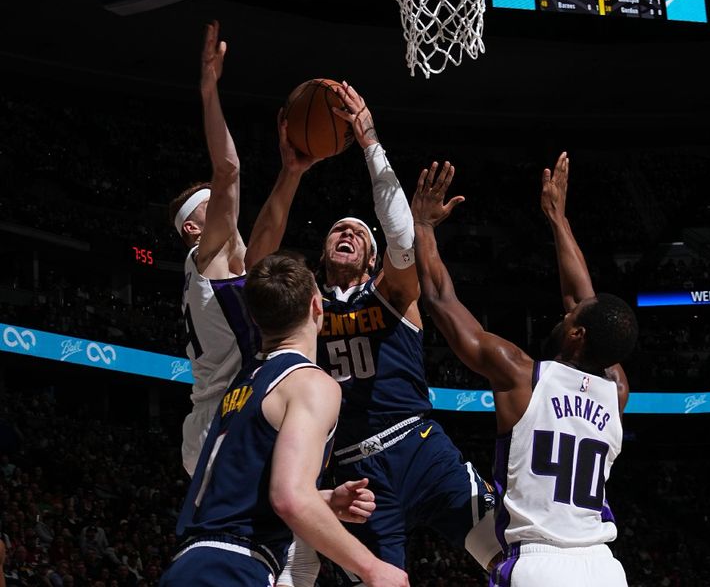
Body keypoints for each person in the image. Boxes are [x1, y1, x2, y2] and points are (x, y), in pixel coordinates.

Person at [245, 83, 499, 585]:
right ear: (323, 253)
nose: (347, 233)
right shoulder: (305, 306)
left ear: (372, 259)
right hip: (351, 474)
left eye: (359, 233)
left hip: (419, 447)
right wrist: (291, 172)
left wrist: (369, 144)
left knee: (510, 550)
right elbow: (255, 268)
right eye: (338, 230)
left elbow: (403, 238)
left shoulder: (393, 292)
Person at [411, 153, 638, 587]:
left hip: (540, 563)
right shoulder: (617, 391)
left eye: (569, 320)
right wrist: (558, 219)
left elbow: (441, 300)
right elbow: (583, 302)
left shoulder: (521, 375)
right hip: (605, 567)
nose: (563, 315)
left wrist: (422, 226)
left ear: (577, 335)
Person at [159, 253, 409, 587]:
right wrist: (372, 568)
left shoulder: (244, 383)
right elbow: (290, 498)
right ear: (317, 306)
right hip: (233, 565)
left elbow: (236, 493)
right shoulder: (310, 383)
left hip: (189, 563)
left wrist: (326, 500)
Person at [167, 20, 260, 476]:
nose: (225, 208)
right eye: (212, 206)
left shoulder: (218, 262)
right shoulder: (206, 255)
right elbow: (228, 170)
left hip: (220, 418)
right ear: (191, 227)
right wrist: (209, 91)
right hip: (222, 422)